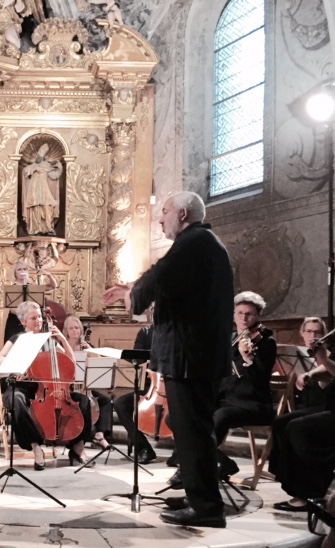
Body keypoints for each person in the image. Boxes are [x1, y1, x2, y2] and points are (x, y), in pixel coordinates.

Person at [103, 191, 234, 528]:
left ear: (183, 212)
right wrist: (131, 288)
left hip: (191, 358)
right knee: (191, 432)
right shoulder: (199, 244)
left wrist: (135, 293)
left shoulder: (195, 241)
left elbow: (161, 275)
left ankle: (207, 508)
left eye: (164, 212)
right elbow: (168, 280)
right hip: (194, 357)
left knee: (193, 432)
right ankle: (198, 495)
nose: (159, 219)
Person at [167, 291, 276, 487]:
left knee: (220, 417)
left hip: (251, 403)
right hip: (225, 399)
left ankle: (188, 468)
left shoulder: (266, 342)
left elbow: (259, 380)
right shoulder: (231, 338)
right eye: (240, 313)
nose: (244, 318)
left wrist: (248, 359)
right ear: (233, 314)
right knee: (177, 415)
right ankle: (222, 462)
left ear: (258, 316)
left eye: (249, 314)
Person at [0, 302, 93, 470]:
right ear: (23, 321)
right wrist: (17, 366)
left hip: (50, 389)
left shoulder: (49, 340)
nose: (38, 320)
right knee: (16, 400)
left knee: (84, 401)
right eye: (33, 318)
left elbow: (70, 362)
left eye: (40, 316)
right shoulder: (17, 339)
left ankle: (77, 449)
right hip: (23, 387)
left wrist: (61, 339)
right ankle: (35, 447)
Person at [268, 333, 335, 511]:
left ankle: (309, 493)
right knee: (282, 422)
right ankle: (288, 480)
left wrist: (324, 359)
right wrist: (311, 374)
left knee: (300, 429)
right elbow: (330, 369)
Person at [63, 314, 114, 451]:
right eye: (71, 328)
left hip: (85, 386)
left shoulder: (86, 346)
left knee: (105, 401)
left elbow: (99, 365)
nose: (75, 331)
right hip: (69, 387)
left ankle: (100, 434)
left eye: (77, 328)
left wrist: (91, 351)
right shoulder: (62, 346)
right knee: (84, 402)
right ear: (66, 331)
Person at [112, 324, 158, 464]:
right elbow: (136, 357)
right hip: (148, 388)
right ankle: (144, 447)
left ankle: (180, 452)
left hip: (172, 386)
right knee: (121, 404)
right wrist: (145, 361)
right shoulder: (145, 332)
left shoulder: (175, 332)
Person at [3, 259, 57, 343]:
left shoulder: (33, 287)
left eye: (24, 269)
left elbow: (53, 286)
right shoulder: (12, 288)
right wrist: (27, 316)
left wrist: (48, 274)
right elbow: (12, 309)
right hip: (15, 322)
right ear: (15, 273)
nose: (22, 271)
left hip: (30, 322)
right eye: (19, 269)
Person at [22, 143, 63, 235]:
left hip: (44, 189)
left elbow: (54, 175)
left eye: (42, 153)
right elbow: (25, 172)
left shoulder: (47, 166)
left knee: (47, 206)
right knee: (34, 207)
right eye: (40, 153)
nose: (40, 155)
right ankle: (35, 228)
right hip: (34, 189)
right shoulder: (32, 166)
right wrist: (35, 168)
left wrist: (59, 168)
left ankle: (47, 228)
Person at [294, 317, 327, 409]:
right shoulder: (295, 353)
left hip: (319, 402)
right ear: (302, 333)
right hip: (297, 400)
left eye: (317, 332)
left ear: (323, 335)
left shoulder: (328, 355)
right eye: (309, 331)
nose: (313, 336)